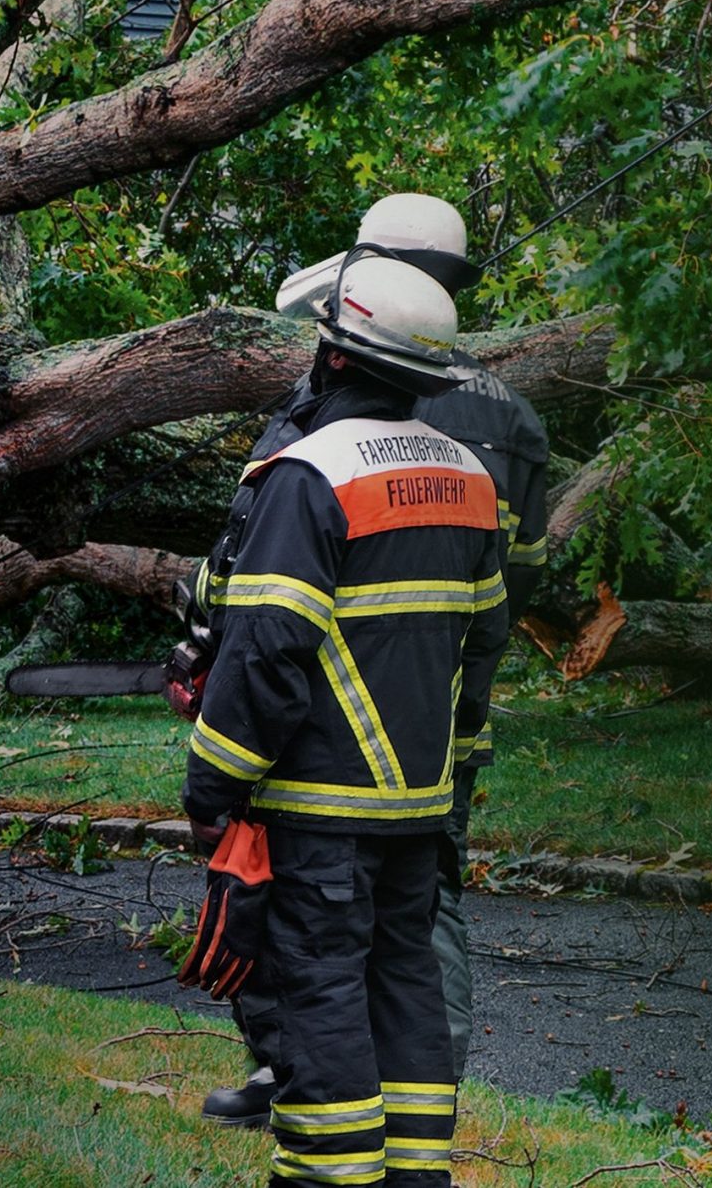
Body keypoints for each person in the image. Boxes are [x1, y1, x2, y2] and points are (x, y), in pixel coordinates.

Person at [181, 195, 549, 1130]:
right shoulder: (486, 448)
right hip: (425, 778)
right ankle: (420, 1144)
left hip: (320, 788)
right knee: (409, 964)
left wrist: (215, 782)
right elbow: (494, 619)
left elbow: (269, 630)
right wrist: (456, 755)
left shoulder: (315, 461)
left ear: (338, 346)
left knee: (320, 983)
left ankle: (323, 1140)